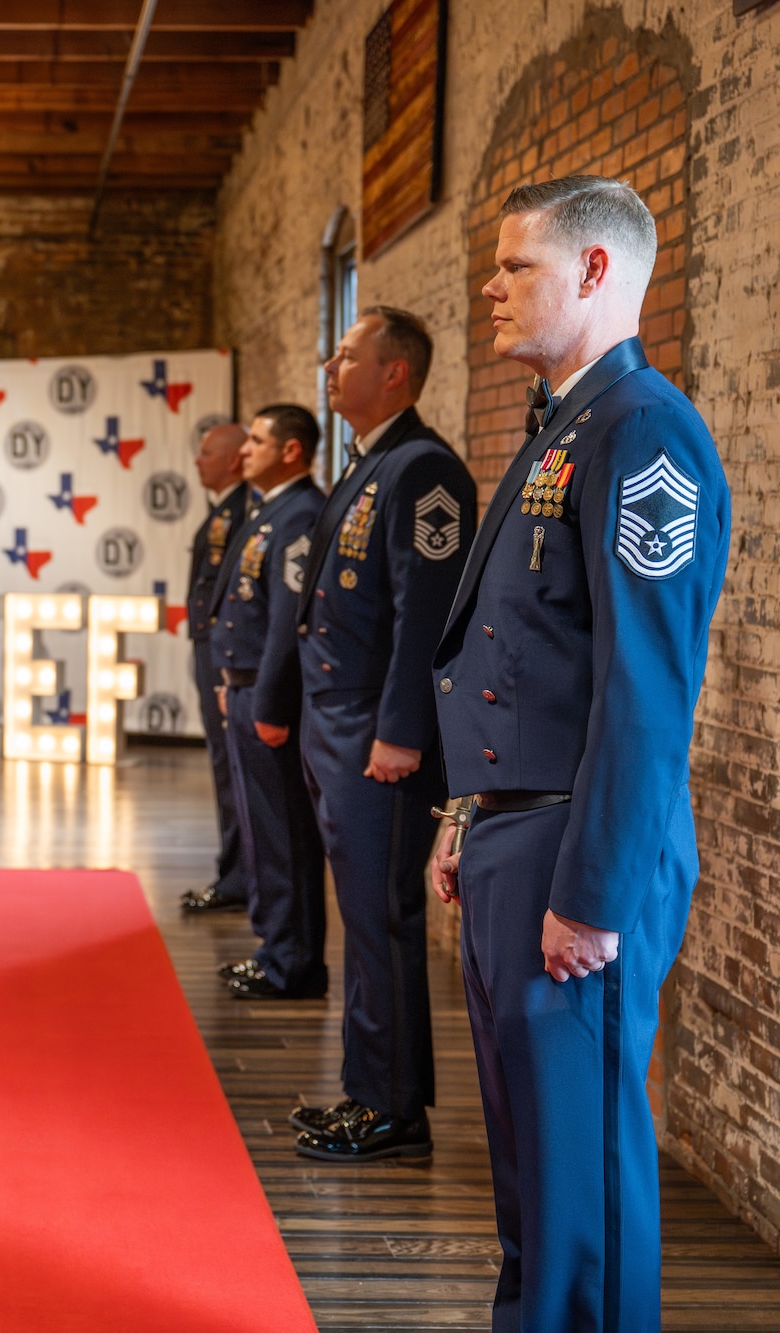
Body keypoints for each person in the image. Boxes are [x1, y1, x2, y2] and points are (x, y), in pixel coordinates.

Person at [429, 175, 730, 1329]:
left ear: (594, 271)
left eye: (516, 266)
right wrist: (466, 810)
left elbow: (643, 691)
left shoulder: (641, 430)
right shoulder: (567, 424)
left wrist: (593, 894)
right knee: (528, 1158)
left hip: (575, 846)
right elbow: (525, 652)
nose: (490, 287)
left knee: (580, 1171)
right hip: (518, 827)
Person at [286, 309, 475, 1165]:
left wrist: (402, 731)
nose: (331, 367)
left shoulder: (424, 469)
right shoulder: (370, 462)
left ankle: (393, 1109)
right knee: (361, 918)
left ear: (394, 372)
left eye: (348, 354)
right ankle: (370, 1091)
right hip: (338, 724)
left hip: (376, 733)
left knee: (382, 919)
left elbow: (423, 614)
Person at [205, 405, 327, 1000]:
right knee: (260, 830)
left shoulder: (299, 512)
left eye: (256, 440)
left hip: (267, 694)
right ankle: (273, 947)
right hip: (247, 686)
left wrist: (271, 704)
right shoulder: (270, 509)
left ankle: (291, 962)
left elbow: (285, 622)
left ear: (290, 450)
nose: (244, 450)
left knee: (283, 833)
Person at [179, 421, 253, 914]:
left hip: (224, 655)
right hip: (210, 649)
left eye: (207, 453)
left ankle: (238, 877)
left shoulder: (239, 511)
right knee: (225, 766)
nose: (197, 461)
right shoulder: (226, 509)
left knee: (231, 768)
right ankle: (234, 871)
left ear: (231, 460)